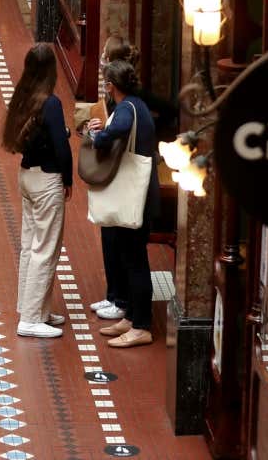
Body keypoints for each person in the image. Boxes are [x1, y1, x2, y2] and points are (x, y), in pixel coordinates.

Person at [87, 60, 160, 349]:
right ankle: (131, 317)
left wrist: (97, 136)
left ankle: (141, 325)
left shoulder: (127, 108)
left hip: (136, 197)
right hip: (139, 195)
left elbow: (116, 130)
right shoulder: (137, 105)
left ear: (110, 86)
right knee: (129, 257)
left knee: (135, 260)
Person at [1, 43, 72, 339]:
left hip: (27, 177)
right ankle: (31, 319)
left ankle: (36, 310)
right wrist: (68, 179)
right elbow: (61, 146)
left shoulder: (23, 97)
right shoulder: (51, 103)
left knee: (30, 246)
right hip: (47, 181)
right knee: (46, 249)